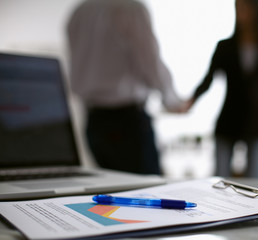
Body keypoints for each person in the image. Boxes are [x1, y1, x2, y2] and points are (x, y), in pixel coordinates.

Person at [67, 0, 184, 175]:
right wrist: (172, 100)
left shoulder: (79, 12)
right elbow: (150, 63)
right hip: (127, 124)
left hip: (93, 122)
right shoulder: (130, 8)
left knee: (112, 192)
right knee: (148, 192)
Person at [185, 0, 258, 178]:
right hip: (229, 119)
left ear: (256, 10)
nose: (242, 13)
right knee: (219, 179)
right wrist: (191, 101)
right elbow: (209, 79)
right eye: (238, 8)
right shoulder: (225, 46)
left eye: (246, 8)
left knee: (254, 182)